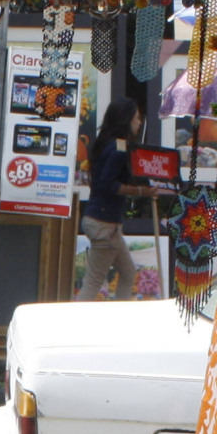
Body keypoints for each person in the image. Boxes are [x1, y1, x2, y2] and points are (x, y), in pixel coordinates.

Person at [79, 97, 149, 300]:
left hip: (105, 223)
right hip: (105, 224)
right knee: (93, 281)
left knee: (128, 273)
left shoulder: (109, 144)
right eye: (137, 118)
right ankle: (74, 324)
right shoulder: (118, 149)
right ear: (126, 119)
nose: (139, 123)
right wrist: (141, 192)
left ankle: (119, 318)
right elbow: (107, 185)